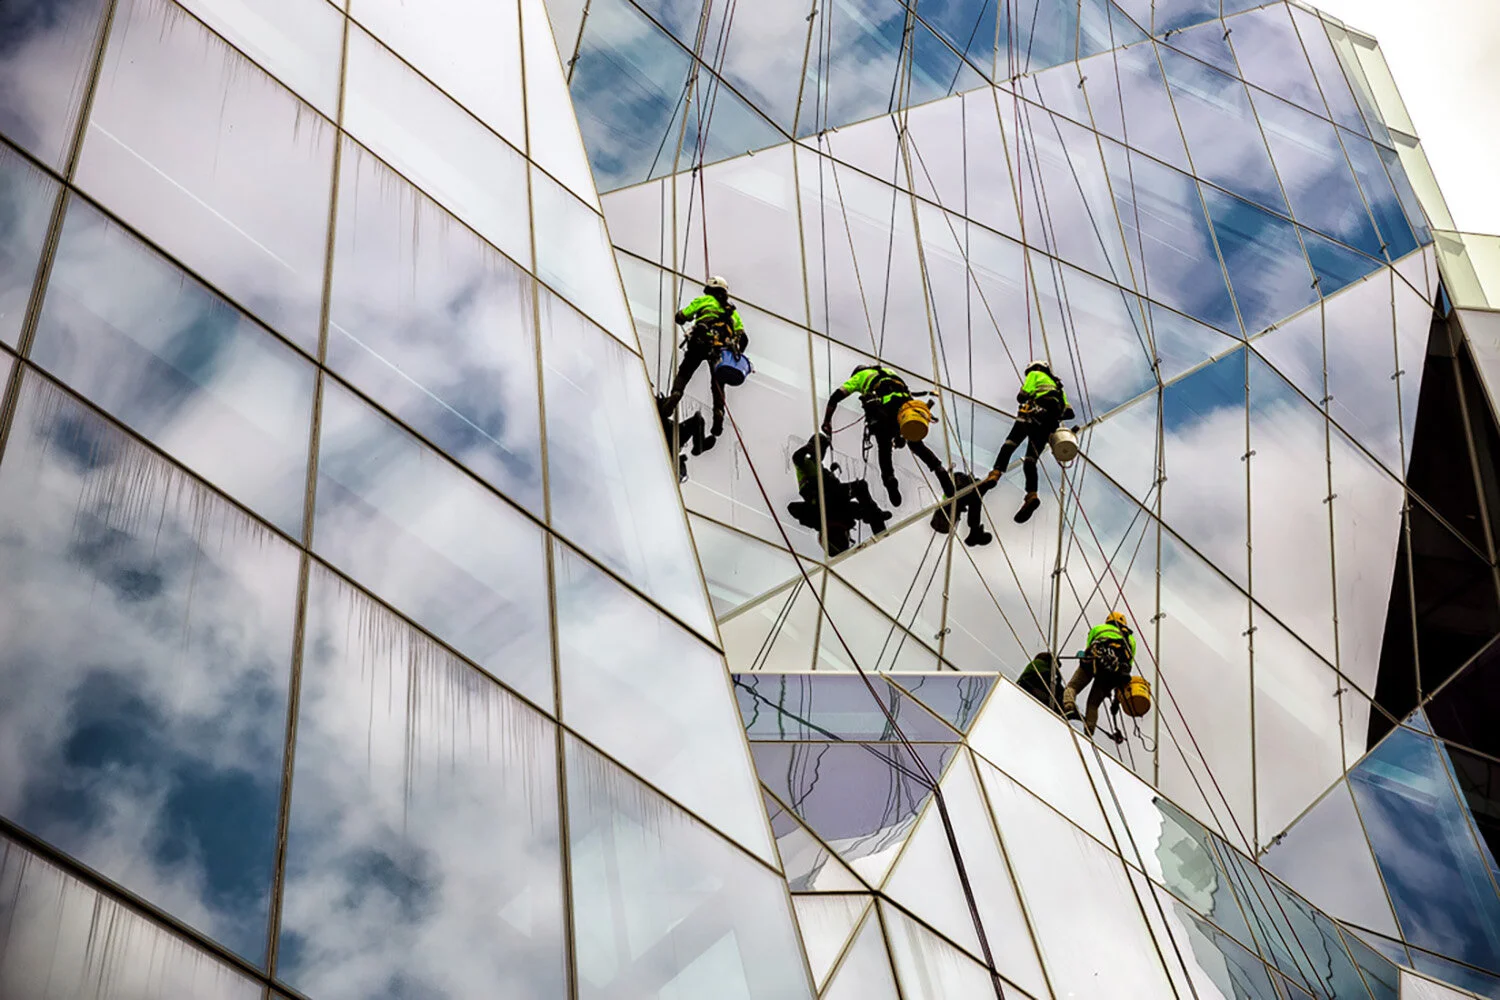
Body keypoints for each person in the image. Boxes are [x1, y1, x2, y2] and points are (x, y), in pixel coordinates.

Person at [820, 364, 946, 507]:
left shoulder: (859, 376)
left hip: (884, 409)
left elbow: (835, 397)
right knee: (915, 443)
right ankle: (939, 469)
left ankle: (889, 479)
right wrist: (899, 436)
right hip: (905, 408)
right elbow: (904, 395)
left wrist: (827, 421)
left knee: (884, 447)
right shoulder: (889, 372)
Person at [979, 360, 1074, 524]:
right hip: (1048, 425)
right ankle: (1032, 495)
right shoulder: (1059, 388)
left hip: (1032, 414)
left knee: (1010, 445)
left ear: (1036, 368)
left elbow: (1022, 395)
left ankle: (994, 475)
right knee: (1030, 460)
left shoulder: (1035, 374)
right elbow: (1069, 413)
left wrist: (1027, 397)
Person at [660, 276, 749, 439]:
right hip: (719, 350)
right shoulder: (732, 311)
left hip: (699, 342)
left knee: (685, 372)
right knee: (718, 384)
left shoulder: (703, 301)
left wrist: (680, 316)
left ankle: (676, 395)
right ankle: (718, 412)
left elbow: (682, 315)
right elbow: (743, 336)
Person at [787, 433, 890, 555]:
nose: (823, 453)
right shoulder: (806, 463)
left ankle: (877, 523)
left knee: (860, 502)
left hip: (835, 501)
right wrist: (807, 448)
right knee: (860, 488)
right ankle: (878, 524)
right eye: (822, 449)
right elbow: (797, 458)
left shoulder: (819, 467)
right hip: (829, 497)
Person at [1063, 611, 1137, 736]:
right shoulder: (1131, 640)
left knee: (1073, 686)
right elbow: (1127, 666)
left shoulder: (1098, 628)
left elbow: (1089, 647)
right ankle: (1089, 731)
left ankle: (1068, 706)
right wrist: (1116, 701)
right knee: (1093, 704)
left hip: (1092, 661)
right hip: (1112, 674)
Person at [928, 469, 993, 547]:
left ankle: (974, 531)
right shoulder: (954, 492)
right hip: (949, 508)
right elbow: (975, 495)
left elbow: (975, 495)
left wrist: (985, 485)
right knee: (976, 497)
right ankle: (974, 531)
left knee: (976, 497)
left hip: (950, 506)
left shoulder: (953, 492)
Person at [1017, 651, 1065, 716]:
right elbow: (1047, 677)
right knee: (1058, 689)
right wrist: (1057, 675)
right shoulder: (1038, 663)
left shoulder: (1044, 668)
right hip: (1027, 686)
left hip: (1035, 687)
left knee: (1060, 691)